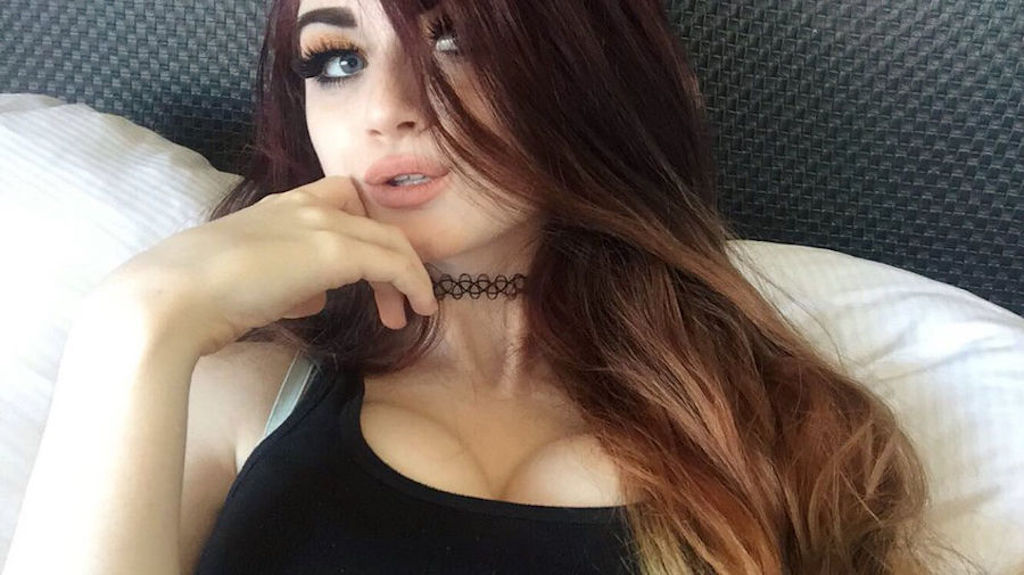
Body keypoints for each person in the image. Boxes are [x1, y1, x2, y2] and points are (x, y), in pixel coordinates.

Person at [4, 0, 976, 574]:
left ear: (588, 73)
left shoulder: (777, 423)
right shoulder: (230, 401)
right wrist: (138, 321)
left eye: (454, 38)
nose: (383, 108)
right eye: (335, 59)